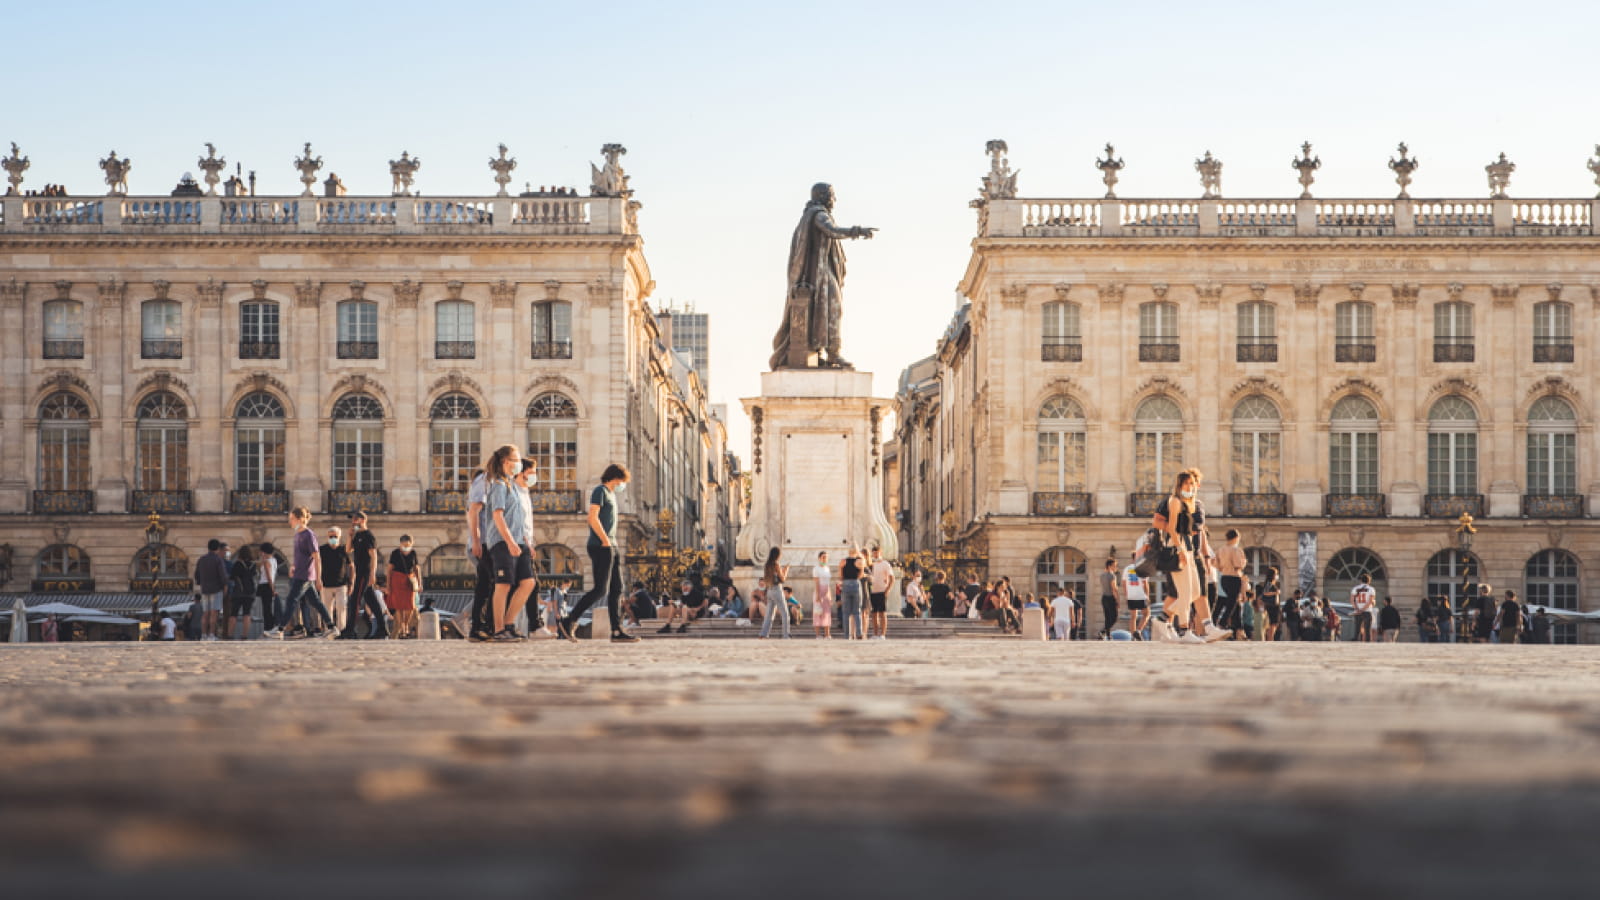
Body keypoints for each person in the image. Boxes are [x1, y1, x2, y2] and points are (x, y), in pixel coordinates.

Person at [560, 463, 637, 643]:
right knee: (600, 589)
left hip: (612, 544)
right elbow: (592, 517)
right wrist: (604, 540)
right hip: (601, 545)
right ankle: (569, 620)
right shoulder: (600, 491)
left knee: (617, 589)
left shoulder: (611, 494)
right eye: (622, 481)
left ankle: (616, 630)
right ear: (615, 478)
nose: (622, 485)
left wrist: (611, 542)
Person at [484, 445, 535, 643]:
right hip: (502, 542)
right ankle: (498, 630)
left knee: (528, 582)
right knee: (503, 584)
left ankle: (508, 624)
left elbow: (518, 518)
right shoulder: (498, 484)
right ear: (506, 462)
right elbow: (498, 516)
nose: (519, 463)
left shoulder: (512, 485)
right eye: (516, 459)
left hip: (518, 541)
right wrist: (509, 541)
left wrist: (525, 543)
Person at [1156, 471, 1208, 644]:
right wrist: (1179, 549)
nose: (1189, 487)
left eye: (1192, 483)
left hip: (1189, 548)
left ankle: (1163, 619)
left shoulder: (1188, 503)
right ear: (1179, 485)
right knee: (1185, 592)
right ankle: (1185, 631)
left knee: (1195, 592)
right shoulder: (1175, 501)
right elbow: (1171, 528)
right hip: (1178, 546)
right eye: (1186, 483)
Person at [272, 508, 328, 639]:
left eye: (291, 519)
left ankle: (280, 629)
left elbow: (316, 557)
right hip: (299, 573)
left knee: (291, 600)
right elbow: (300, 557)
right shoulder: (297, 535)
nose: (289, 521)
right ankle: (331, 626)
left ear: (300, 519)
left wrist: (318, 578)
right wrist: (293, 566)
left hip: (305, 575)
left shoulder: (309, 534)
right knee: (316, 603)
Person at [341, 511, 389, 640]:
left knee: (355, 600)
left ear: (362, 520)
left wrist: (373, 574)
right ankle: (382, 629)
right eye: (352, 519)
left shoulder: (368, 536)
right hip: (359, 571)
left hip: (365, 572)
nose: (353, 522)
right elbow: (348, 550)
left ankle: (350, 629)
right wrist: (350, 536)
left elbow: (373, 555)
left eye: (355, 519)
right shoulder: (357, 535)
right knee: (372, 602)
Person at [465, 462, 496, 642]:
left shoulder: (488, 481)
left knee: (485, 585)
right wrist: (476, 542)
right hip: (484, 542)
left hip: (487, 542)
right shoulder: (484, 480)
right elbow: (474, 512)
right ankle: (481, 625)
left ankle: (479, 626)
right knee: (492, 583)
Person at [192, 538, 230, 642]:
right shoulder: (218, 560)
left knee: (205, 613)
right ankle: (211, 635)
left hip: (205, 589)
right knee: (214, 613)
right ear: (217, 548)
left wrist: (200, 583)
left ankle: (203, 635)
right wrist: (225, 585)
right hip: (216, 589)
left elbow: (196, 575)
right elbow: (223, 575)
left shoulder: (202, 559)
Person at [318, 528, 352, 638]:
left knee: (342, 607)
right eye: (331, 536)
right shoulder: (322, 549)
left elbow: (351, 566)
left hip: (341, 584)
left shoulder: (343, 550)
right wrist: (317, 579)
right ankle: (329, 630)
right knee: (327, 609)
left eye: (335, 536)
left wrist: (351, 582)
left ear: (339, 537)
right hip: (326, 584)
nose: (333, 538)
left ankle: (341, 631)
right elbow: (316, 565)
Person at [1213, 531, 1246, 641]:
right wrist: (1244, 562)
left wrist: (1224, 568)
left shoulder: (1220, 549)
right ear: (1236, 538)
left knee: (1235, 603)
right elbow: (1238, 565)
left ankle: (1239, 630)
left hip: (1224, 577)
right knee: (1232, 603)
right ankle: (1222, 623)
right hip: (1234, 577)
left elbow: (1215, 564)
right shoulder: (1236, 549)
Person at [388, 535, 420, 639]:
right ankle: (403, 627)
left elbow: (417, 568)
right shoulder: (395, 553)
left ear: (411, 544)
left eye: (408, 545)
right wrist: (388, 585)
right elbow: (389, 570)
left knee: (410, 605)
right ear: (400, 544)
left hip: (409, 580)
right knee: (399, 606)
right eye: (404, 545)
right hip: (397, 579)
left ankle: (406, 623)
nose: (406, 547)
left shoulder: (413, 553)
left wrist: (420, 583)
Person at [226, 546, 257, 640]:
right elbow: (254, 576)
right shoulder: (253, 565)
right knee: (247, 614)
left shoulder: (237, 564)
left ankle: (230, 635)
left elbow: (232, 577)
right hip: (250, 593)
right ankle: (244, 635)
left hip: (238, 592)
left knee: (233, 614)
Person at [759, 546, 790, 640]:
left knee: (769, 614)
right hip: (777, 590)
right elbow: (782, 579)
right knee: (785, 613)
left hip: (769, 590)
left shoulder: (767, 565)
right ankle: (786, 635)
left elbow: (767, 578)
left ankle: (763, 634)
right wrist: (786, 570)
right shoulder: (776, 564)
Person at [866, 546, 895, 640]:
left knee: (882, 613)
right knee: (874, 613)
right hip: (872, 590)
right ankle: (875, 633)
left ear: (880, 553)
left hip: (882, 590)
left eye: (877, 552)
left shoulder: (885, 564)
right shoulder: (871, 564)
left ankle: (882, 634)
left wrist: (888, 590)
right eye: (873, 553)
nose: (875, 554)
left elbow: (892, 578)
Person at [839, 545, 866, 640]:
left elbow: (840, 575)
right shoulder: (859, 562)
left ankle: (846, 635)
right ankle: (859, 632)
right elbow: (861, 574)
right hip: (855, 583)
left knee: (846, 612)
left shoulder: (843, 561)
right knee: (857, 611)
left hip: (845, 583)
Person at [255, 542, 279, 636]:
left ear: (264, 551)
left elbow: (268, 576)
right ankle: (270, 626)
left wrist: (272, 589)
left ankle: (269, 627)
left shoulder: (266, 561)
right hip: (269, 585)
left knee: (266, 608)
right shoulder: (274, 560)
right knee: (267, 607)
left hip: (266, 585)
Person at [1098, 559, 1122, 639]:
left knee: (1107, 617)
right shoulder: (1112, 576)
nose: (1116, 567)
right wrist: (1118, 600)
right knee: (1114, 618)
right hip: (1110, 597)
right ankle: (1103, 631)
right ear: (1109, 566)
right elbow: (1114, 589)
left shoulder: (1102, 575)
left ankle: (1107, 635)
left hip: (1104, 597)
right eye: (1114, 566)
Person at [1350, 573, 1376, 642]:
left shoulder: (1355, 588)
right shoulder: (1371, 589)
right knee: (1367, 630)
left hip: (1358, 611)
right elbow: (1370, 601)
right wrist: (1363, 609)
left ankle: (1356, 642)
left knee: (1357, 629)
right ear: (1369, 581)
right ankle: (1367, 644)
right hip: (1367, 611)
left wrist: (1357, 609)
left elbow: (1352, 600)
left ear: (1361, 580)